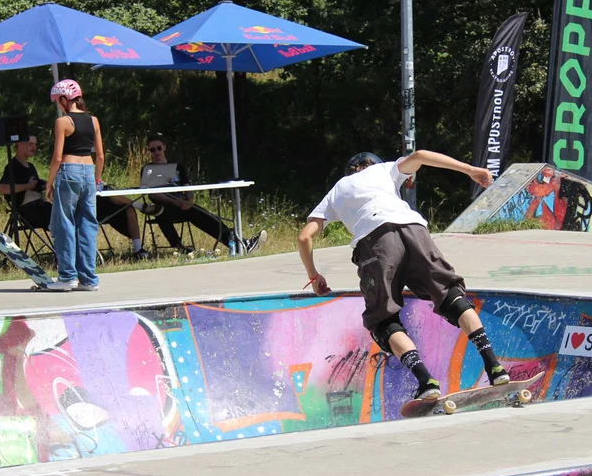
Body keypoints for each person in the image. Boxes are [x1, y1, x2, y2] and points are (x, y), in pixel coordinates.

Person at [297, 150, 510, 401]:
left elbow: (304, 237)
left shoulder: (337, 191)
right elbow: (420, 154)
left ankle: (426, 381)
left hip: (375, 244)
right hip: (414, 230)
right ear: (371, 165)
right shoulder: (385, 169)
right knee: (451, 295)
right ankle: (494, 366)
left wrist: (314, 276)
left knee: (383, 320)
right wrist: (471, 170)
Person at [135, 134, 266, 255]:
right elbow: (152, 193)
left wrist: (189, 200)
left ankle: (240, 243)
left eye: (159, 148)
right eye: (153, 150)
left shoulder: (177, 166)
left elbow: (188, 186)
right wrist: (175, 202)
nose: (157, 152)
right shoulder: (148, 169)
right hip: (165, 207)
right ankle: (179, 248)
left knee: (205, 216)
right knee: (160, 212)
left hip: (183, 205)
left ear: (164, 147)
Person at [45, 79, 102, 291]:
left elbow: (57, 157)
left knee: (65, 223)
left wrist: (49, 183)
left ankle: (67, 276)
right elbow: (101, 156)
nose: (58, 106)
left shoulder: (63, 122)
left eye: (58, 101)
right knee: (88, 224)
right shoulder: (94, 121)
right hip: (89, 172)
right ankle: (88, 279)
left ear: (63, 99)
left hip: (69, 171)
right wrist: (96, 179)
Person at [0, 133, 51, 231]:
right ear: (20, 145)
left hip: (41, 207)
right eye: (30, 144)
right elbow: (2, 188)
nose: (34, 147)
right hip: (28, 211)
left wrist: (46, 186)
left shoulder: (31, 167)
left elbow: (36, 184)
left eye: (35, 144)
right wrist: (27, 186)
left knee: (66, 211)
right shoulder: (13, 166)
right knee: (62, 215)